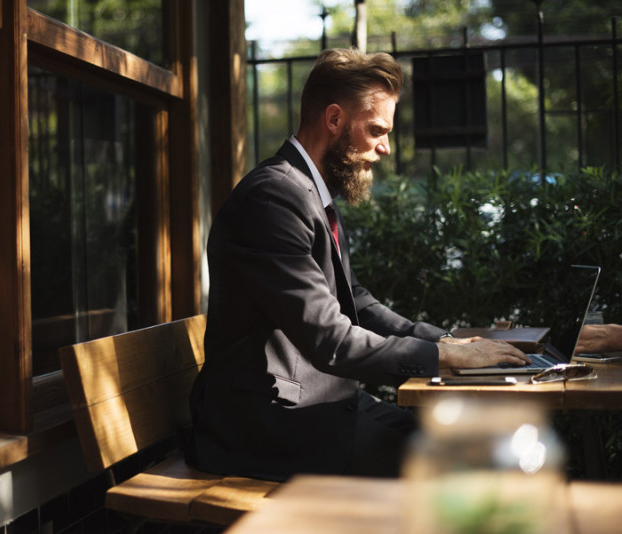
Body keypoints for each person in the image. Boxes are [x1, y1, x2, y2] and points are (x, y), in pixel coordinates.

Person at [188, 48, 529, 480]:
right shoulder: (272, 199)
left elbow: (358, 303)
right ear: (334, 120)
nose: (385, 148)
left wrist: (449, 342)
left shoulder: (306, 192)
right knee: (468, 464)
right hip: (267, 427)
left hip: (320, 406)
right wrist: (443, 357)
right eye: (376, 130)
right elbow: (331, 340)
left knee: (480, 444)